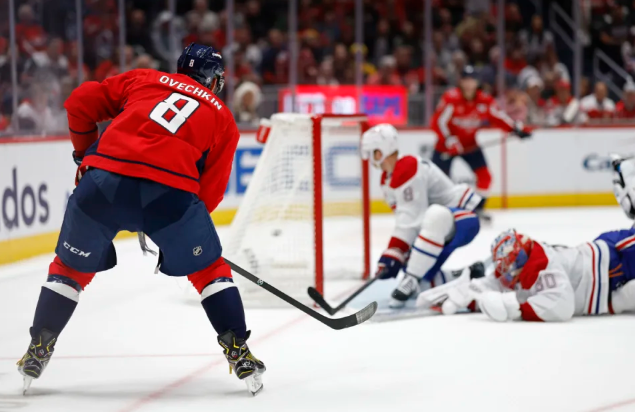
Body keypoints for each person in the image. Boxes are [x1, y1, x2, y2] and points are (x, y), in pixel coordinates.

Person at [16, 44, 266, 396]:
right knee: (210, 270)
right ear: (214, 80)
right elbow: (209, 193)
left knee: (69, 270)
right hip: (170, 198)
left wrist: (83, 153)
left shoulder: (144, 79)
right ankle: (238, 351)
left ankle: (38, 347)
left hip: (101, 185)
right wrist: (178, 238)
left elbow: (78, 103)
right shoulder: (222, 115)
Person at [361, 124, 482, 308]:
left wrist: (393, 252)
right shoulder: (388, 179)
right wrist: (397, 255)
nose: (370, 159)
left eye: (371, 153)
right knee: (417, 274)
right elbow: (409, 221)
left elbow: (411, 220)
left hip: (462, 218)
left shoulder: (407, 167)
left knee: (434, 216)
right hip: (438, 229)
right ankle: (464, 274)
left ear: (380, 152)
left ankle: (411, 278)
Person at [416, 227, 635, 322]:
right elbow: (497, 284)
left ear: (518, 261)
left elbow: (563, 304)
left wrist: (514, 308)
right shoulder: (522, 266)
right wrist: (471, 293)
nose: (502, 272)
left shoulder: (545, 265)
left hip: (615, 259)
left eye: (506, 265)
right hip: (607, 292)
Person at [430, 65, 532, 222]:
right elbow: (438, 122)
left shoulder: (484, 100)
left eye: (472, 80)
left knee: (485, 176)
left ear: (477, 82)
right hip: (446, 147)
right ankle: (439, 212)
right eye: (466, 80)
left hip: (470, 145)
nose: (469, 84)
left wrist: (516, 129)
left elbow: (498, 117)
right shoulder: (451, 98)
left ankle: (477, 208)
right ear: (461, 81)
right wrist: (449, 140)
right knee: (440, 182)